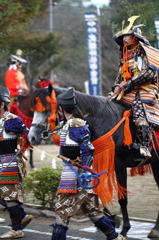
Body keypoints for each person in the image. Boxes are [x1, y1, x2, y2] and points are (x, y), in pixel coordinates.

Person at [51, 87, 125, 240]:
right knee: (94, 212)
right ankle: (114, 236)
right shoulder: (68, 124)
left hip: (76, 175)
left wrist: (85, 170)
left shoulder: (76, 124)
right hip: (73, 172)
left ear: (60, 108)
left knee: (62, 211)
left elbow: (88, 149)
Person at [109, 15, 159, 159]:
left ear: (135, 36)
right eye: (123, 36)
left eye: (127, 35)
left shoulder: (145, 51)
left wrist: (130, 83)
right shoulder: (125, 56)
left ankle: (144, 146)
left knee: (139, 113)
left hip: (145, 91)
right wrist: (117, 87)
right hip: (127, 92)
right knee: (110, 108)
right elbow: (119, 77)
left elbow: (148, 73)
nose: (124, 39)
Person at [0, 87, 33, 239]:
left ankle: (16, 229)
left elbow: (27, 136)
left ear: (1, 104)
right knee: (2, 196)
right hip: (1, 162)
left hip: (10, 162)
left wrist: (22, 147)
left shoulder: (11, 120)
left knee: (10, 195)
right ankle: (23, 216)